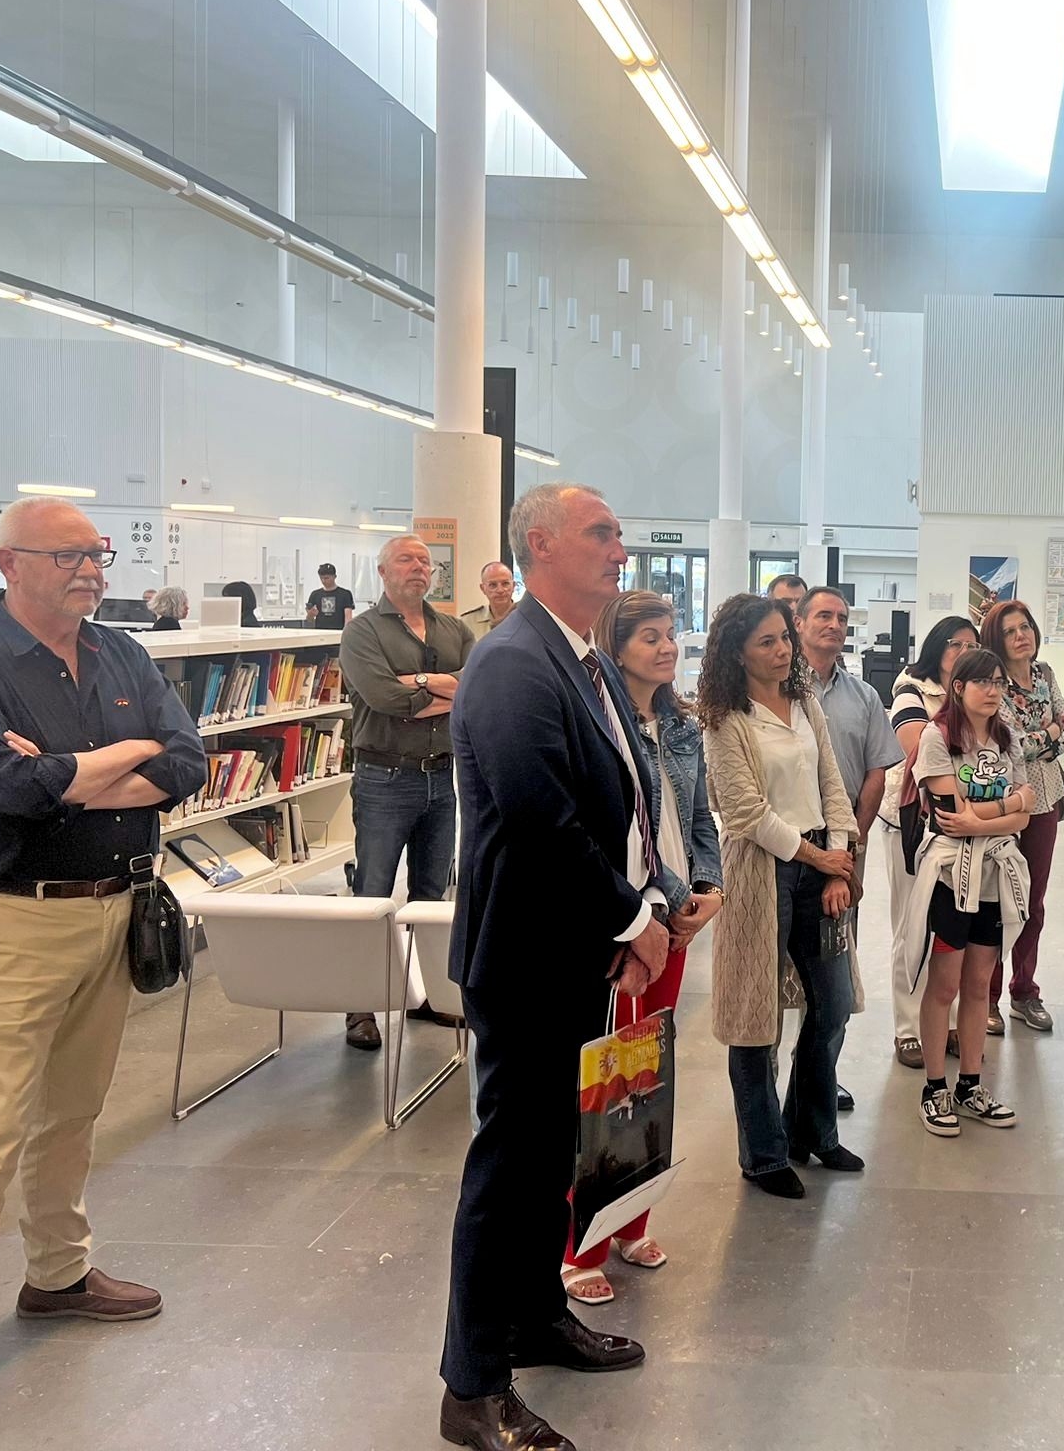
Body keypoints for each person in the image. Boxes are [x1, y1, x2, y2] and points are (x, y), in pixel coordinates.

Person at [0, 497, 207, 1439]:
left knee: (74, 1112)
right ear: (8, 563)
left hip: (115, 911)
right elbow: (8, 789)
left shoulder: (122, 652)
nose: (91, 569)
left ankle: (57, 1274)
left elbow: (189, 762)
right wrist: (120, 760)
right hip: (14, 921)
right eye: (67, 555)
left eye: (97, 552)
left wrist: (73, 769)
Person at [439, 483, 659, 1451]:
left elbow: (625, 798)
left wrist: (656, 896)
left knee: (547, 1164)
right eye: (600, 533)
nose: (620, 549)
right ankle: (471, 1387)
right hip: (525, 956)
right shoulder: (511, 663)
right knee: (509, 1169)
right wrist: (631, 916)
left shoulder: (581, 658)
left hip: (574, 950)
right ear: (540, 544)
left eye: (618, 535)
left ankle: (534, 1318)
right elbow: (540, 819)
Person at [559, 590, 723, 1306]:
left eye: (670, 634)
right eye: (649, 636)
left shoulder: (682, 725)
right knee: (607, 1079)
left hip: (680, 913)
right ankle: (580, 1246)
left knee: (649, 1072)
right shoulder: (599, 722)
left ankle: (632, 1221)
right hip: (630, 918)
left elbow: (699, 818)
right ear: (615, 643)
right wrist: (657, 907)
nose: (666, 647)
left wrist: (710, 889)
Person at [701, 595, 861, 1199]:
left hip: (821, 865)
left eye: (784, 639)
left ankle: (810, 1131)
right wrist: (817, 858)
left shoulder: (804, 703)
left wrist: (839, 864)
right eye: (766, 642)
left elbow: (832, 785)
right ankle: (764, 1155)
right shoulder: (726, 718)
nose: (781, 651)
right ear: (736, 652)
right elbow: (744, 811)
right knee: (756, 1019)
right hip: (759, 872)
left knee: (833, 1004)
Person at [336, 535, 475, 1049]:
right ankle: (360, 1008)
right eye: (406, 559)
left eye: (424, 561)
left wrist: (418, 681)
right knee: (372, 896)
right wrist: (445, 689)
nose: (419, 567)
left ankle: (429, 995)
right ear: (383, 571)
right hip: (384, 779)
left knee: (431, 896)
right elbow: (384, 698)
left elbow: (476, 685)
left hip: (442, 778)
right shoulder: (362, 632)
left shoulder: (454, 629)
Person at [898, 648, 1034, 1137]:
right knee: (945, 985)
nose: (994, 691)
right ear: (959, 687)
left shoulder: (1007, 736)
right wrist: (1008, 808)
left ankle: (970, 1085)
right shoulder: (937, 738)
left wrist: (991, 816)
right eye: (983, 682)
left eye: (999, 682)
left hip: (995, 876)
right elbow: (953, 816)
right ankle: (935, 1088)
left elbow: (1027, 813)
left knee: (979, 984)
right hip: (951, 878)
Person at [796, 585, 902, 1110]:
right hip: (785, 847)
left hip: (845, 852)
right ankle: (776, 1088)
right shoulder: (776, 689)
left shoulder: (863, 697)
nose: (834, 625)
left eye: (840, 617)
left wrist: (851, 845)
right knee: (775, 979)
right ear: (799, 623)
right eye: (823, 615)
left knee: (833, 978)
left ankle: (819, 1081)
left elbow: (877, 772)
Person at [882, 616, 979, 1067]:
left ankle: (949, 1023)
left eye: (972, 646)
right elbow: (920, 751)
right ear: (937, 647)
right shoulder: (911, 689)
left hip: (962, 824)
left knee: (953, 928)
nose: (963, 652)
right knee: (911, 925)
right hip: (913, 823)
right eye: (955, 644)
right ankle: (907, 1029)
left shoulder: (975, 690)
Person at [980, 600, 1064, 1035]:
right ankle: (987, 997)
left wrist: (1045, 736)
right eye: (1010, 631)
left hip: (1046, 800)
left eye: (1025, 627)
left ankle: (1024, 990)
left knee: (1033, 902)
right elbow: (1010, 745)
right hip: (1003, 802)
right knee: (998, 900)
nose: (1021, 636)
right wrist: (1049, 732)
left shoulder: (1045, 675)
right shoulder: (992, 682)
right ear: (996, 640)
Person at [459, 560, 518, 641]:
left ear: (513, 586)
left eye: (505, 584)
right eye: (493, 585)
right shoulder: (468, 622)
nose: (500, 590)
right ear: (483, 588)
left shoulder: (526, 618)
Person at [304, 562, 355, 629]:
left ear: (334, 577)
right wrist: (310, 615)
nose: (323, 581)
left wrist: (345, 633)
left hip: (338, 632)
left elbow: (348, 619)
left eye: (326, 578)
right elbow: (309, 620)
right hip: (320, 632)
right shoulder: (315, 594)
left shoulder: (345, 594)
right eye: (321, 578)